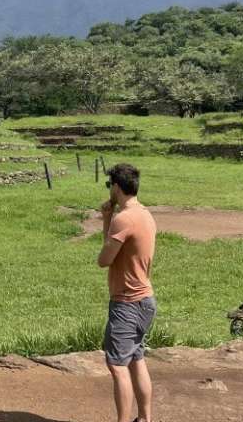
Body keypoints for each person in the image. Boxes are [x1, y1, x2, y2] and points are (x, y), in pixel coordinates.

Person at [96, 163, 157, 422]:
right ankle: (144, 418)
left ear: (117, 187)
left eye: (109, 185)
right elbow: (115, 249)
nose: (109, 190)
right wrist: (107, 218)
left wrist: (110, 219)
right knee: (136, 359)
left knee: (117, 365)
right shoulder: (145, 214)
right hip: (145, 300)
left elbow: (104, 259)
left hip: (126, 302)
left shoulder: (124, 219)